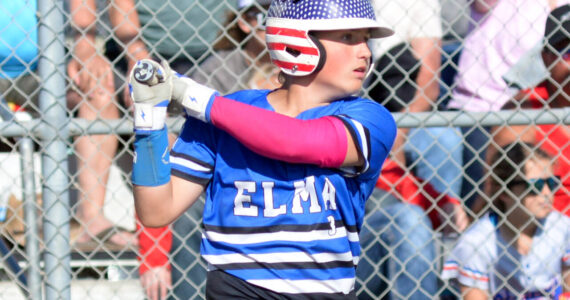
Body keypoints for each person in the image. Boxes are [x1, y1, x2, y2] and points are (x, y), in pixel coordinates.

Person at [129, 0, 397, 298]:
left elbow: (297, 141)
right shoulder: (224, 115)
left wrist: (201, 100)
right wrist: (148, 122)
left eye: (365, 39)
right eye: (348, 37)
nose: (365, 52)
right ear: (295, 41)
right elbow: (156, 210)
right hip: (236, 289)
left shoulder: (372, 119)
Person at [136, 1, 274, 299]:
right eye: (265, 15)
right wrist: (154, 258)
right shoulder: (221, 67)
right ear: (245, 22)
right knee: (191, 211)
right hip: (233, 178)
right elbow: (168, 175)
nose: (274, 24)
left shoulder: (317, 75)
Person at [446, 0, 569, 211]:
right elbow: (496, 198)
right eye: (565, 51)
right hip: (545, 233)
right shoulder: (524, 110)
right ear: (546, 57)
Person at [441, 141, 570, 299]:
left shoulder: (562, 227)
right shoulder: (476, 242)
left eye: (552, 183)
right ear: (504, 192)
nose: (546, 193)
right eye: (535, 185)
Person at [67, 0, 147, 249]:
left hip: (52, 64)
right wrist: (85, 51)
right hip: (39, 72)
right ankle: (90, 217)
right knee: (96, 83)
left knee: (101, 80)